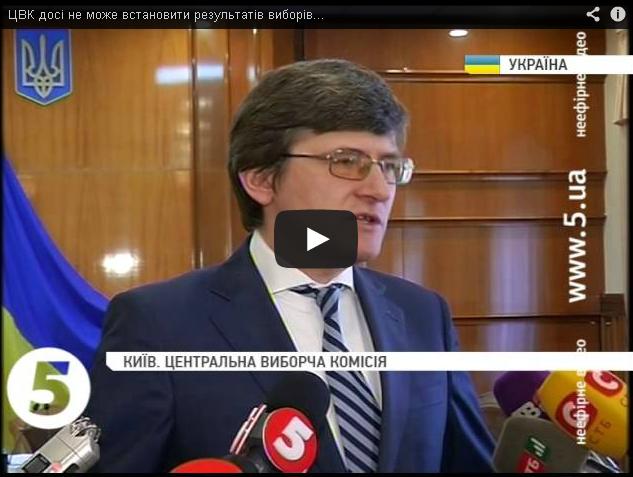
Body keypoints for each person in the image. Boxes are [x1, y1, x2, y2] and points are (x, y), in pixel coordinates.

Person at [86, 59, 495, 473]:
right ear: (261, 179)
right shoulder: (158, 325)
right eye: (346, 161)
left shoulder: (423, 314)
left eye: (389, 167)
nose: (378, 190)